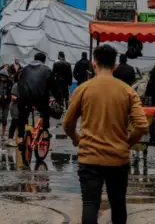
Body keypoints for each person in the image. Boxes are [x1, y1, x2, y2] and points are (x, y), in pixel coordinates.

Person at [63, 44, 148, 224]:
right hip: (118, 158)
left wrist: (77, 140)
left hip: (89, 158)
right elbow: (141, 125)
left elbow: (68, 124)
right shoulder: (127, 90)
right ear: (115, 66)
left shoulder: (83, 89)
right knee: (118, 204)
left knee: (90, 204)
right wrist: (127, 144)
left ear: (94, 64)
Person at [16, 52, 58, 145]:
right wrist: (58, 98)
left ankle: (20, 136)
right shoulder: (47, 70)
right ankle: (45, 131)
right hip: (40, 98)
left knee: (22, 116)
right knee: (45, 111)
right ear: (44, 60)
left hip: (23, 97)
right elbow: (53, 87)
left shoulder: (24, 69)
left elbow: (17, 80)